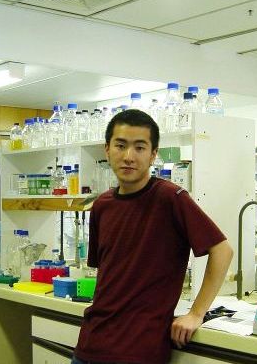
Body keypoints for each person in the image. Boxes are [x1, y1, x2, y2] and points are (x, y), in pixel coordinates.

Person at [73, 109, 233, 364]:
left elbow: (222, 250)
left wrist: (196, 313)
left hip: (139, 350)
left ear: (153, 154)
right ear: (107, 150)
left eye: (139, 147)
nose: (128, 157)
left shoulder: (170, 198)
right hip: (91, 344)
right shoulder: (102, 205)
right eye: (121, 145)